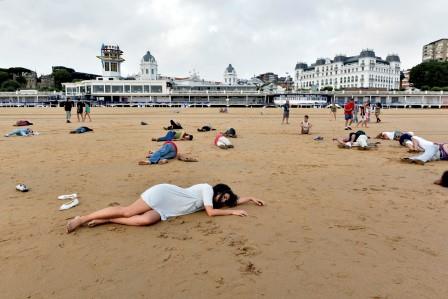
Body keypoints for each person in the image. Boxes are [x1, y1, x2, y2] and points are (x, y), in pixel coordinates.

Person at [66, 183, 265, 234]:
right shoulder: (207, 189)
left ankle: (108, 219)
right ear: (218, 190)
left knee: (146, 221)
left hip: (168, 210)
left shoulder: (214, 200)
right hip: (163, 194)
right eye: (222, 195)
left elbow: (234, 201)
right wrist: (232, 211)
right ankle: (81, 219)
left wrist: (250, 199)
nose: (222, 199)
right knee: (128, 211)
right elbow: (211, 213)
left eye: (225, 199)